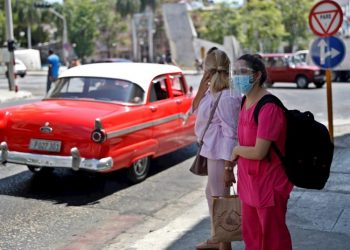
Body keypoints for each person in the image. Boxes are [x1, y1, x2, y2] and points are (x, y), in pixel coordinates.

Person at [231, 54, 293, 250]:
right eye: (235, 73)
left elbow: (259, 152)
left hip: (269, 185)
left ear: (257, 75)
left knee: (273, 239)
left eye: (242, 72)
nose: (237, 77)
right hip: (248, 182)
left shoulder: (268, 107)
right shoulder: (244, 102)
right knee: (252, 236)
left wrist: (236, 150)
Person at [188, 47, 241, 250]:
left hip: (220, 153)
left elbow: (231, 134)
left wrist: (229, 167)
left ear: (209, 70)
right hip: (211, 150)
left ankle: (223, 245)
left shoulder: (226, 97)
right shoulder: (212, 93)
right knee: (212, 194)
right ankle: (216, 238)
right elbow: (193, 109)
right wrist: (202, 87)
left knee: (220, 200)